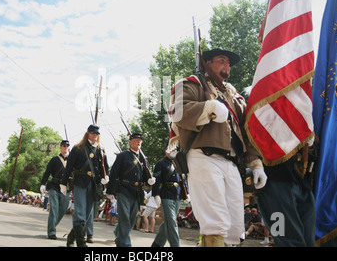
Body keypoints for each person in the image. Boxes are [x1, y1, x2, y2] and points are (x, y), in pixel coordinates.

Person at [169, 48, 267, 247]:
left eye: (228, 62)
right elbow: (177, 112)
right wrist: (209, 108)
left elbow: (247, 130)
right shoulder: (191, 84)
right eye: (222, 60)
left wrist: (256, 163)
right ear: (207, 63)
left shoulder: (234, 96)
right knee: (216, 221)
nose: (227, 65)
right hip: (204, 155)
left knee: (235, 226)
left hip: (232, 162)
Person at [60, 125, 109, 247]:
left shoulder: (100, 150)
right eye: (92, 133)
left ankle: (71, 237)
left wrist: (106, 178)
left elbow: (105, 167)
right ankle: (81, 243)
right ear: (87, 134)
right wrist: (63, 183)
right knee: (80, 212)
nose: (95, 135)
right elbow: (69, 167)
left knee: (87, 215)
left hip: (94, 185)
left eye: (96, 134)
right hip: (80, 182)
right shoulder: (78, 148)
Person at [106, 132, 156, 247]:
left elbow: (144, 176)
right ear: (130, 142)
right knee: (124, 216)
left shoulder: (143, 159)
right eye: (135, 140)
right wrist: (110, 191)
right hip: (123, 189)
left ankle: (119, 235)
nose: (138, 142)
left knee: (132, 217)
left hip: (136, 192)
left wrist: (149, 181)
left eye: (140, 140)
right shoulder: (123, 156)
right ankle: (124, 243)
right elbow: (114, 173)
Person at [151, 146, 189, 247]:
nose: (172, 151)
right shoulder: (161, 163)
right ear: (165, 151)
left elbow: (183, 180)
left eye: (174, 149)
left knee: (168, 222)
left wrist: (187, 193)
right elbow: (156, 180)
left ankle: (157, 245)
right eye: (170, 149)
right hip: (166, 195)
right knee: (172, 223)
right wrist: (156, 194)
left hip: (177, 195)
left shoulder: (179, 163)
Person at [40, 139, 70, 240]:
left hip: (66, 188)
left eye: (67, 146)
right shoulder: (54, 159)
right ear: (60, 147)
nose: (65, 147)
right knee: (53, 209)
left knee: (62, 210)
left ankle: (51, 226)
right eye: (64, 146)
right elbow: (47, 172)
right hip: (55, 187)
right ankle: (52, 232)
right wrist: (42, 184)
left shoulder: (71, 160)